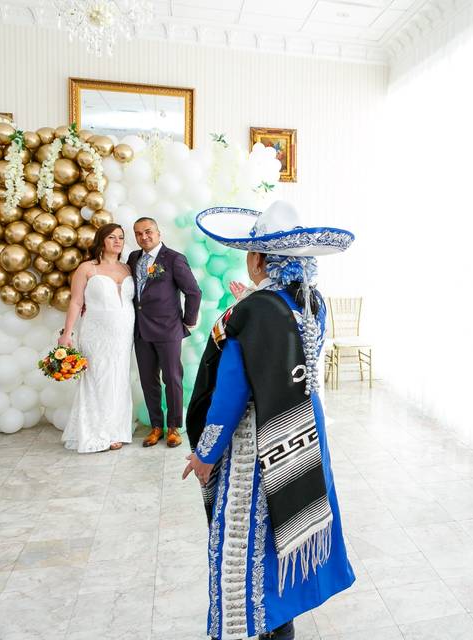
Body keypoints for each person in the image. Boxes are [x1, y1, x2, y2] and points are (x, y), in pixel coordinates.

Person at [184, 200, 356, 640]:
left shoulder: (258, 311)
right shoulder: (309, 301)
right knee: (289, 525)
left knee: (256, 535)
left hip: (258, 437)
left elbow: (231, 393)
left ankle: (268, 626)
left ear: (259, 259)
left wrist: (206, 453)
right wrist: (252, 307)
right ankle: (283, 622)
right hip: (301, 428)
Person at [59, 223, 135, 453]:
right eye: (111, 237)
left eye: (120, 237)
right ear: (101, 240)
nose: (117, 241)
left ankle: (116, 430)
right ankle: (97, 432)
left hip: (124, 333)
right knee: (97, 378)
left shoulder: (128, 268)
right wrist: (67, 333)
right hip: (96, 331)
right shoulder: (87, 268)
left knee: (119, 378)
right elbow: (76, 302)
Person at [127, 217, 201, 448]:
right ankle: (156, 426)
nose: (144, 237)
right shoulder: (133, 258)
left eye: (148, 232)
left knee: (172, 379)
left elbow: (194, 292)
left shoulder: (174, 259)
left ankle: (174, 428)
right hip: (141, 330)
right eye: (138, 234)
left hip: (168, 329)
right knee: (148, 381)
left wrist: (188, 321)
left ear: (159, 233)